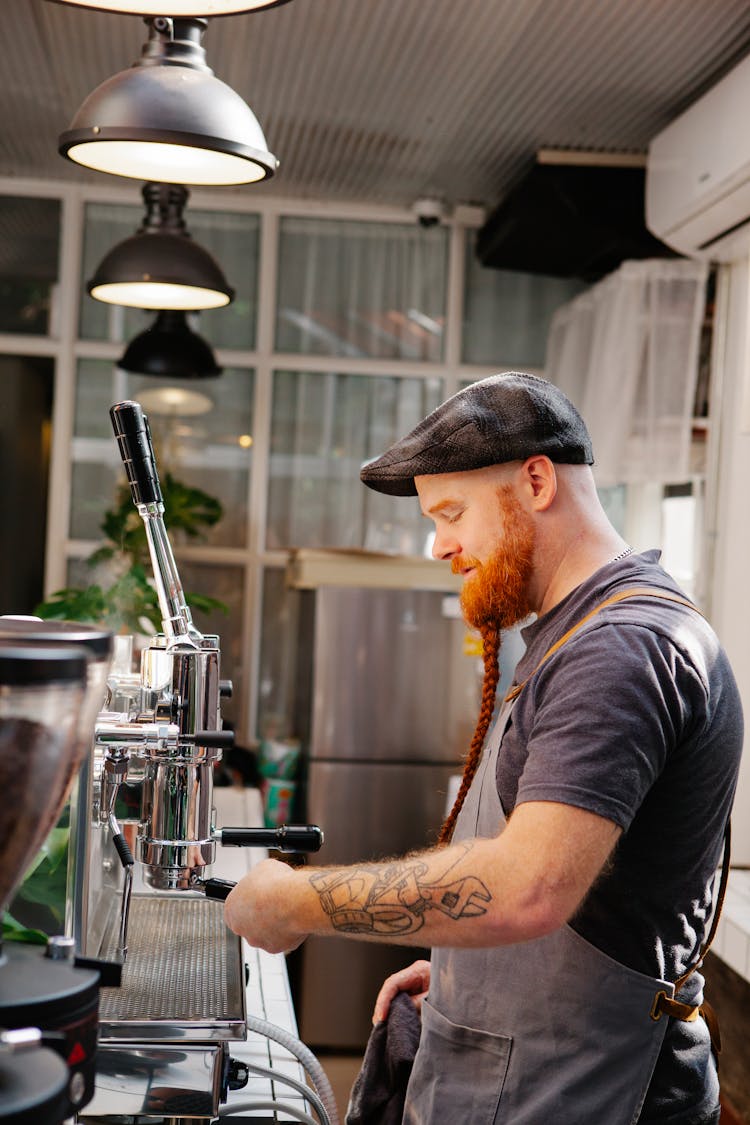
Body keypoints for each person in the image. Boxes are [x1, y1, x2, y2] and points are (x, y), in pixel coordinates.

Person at [225, 372, 743, 1125]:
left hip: (586, 1092)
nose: (439, 544)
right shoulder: (574, 633)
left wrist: (300, 900)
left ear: (536, 480)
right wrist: (471, 974)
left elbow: (530, 885)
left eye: (450, 512)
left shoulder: (622, 650)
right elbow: (596, 895)